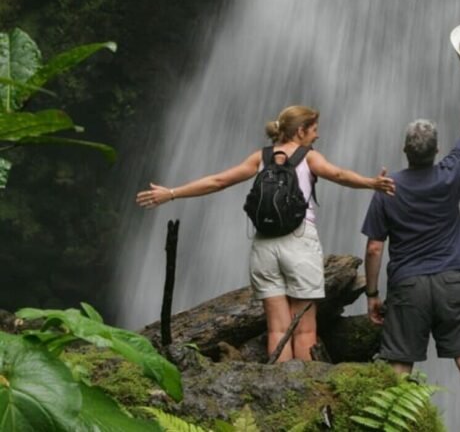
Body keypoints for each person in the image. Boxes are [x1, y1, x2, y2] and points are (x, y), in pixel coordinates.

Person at [136, 105, 395, 362]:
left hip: (264, 246)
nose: (317, 136)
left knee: (278, 329)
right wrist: (371, 183)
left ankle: (279, 393)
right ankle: (304, 394)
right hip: (299, 243)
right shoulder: (309, 157)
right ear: (301, 130)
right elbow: (338, 174)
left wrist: (171, 193)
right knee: (304, 329)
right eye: (314, 130)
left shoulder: (261, 157)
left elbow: (218, 181)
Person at [361, 46, 460, 430]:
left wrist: (372, 294)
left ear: (405, 151)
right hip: (452, 280)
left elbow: (374, 246)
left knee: (400, 365)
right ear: (437, 151)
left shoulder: (387, 188)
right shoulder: (450, 173)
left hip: (408, 286)